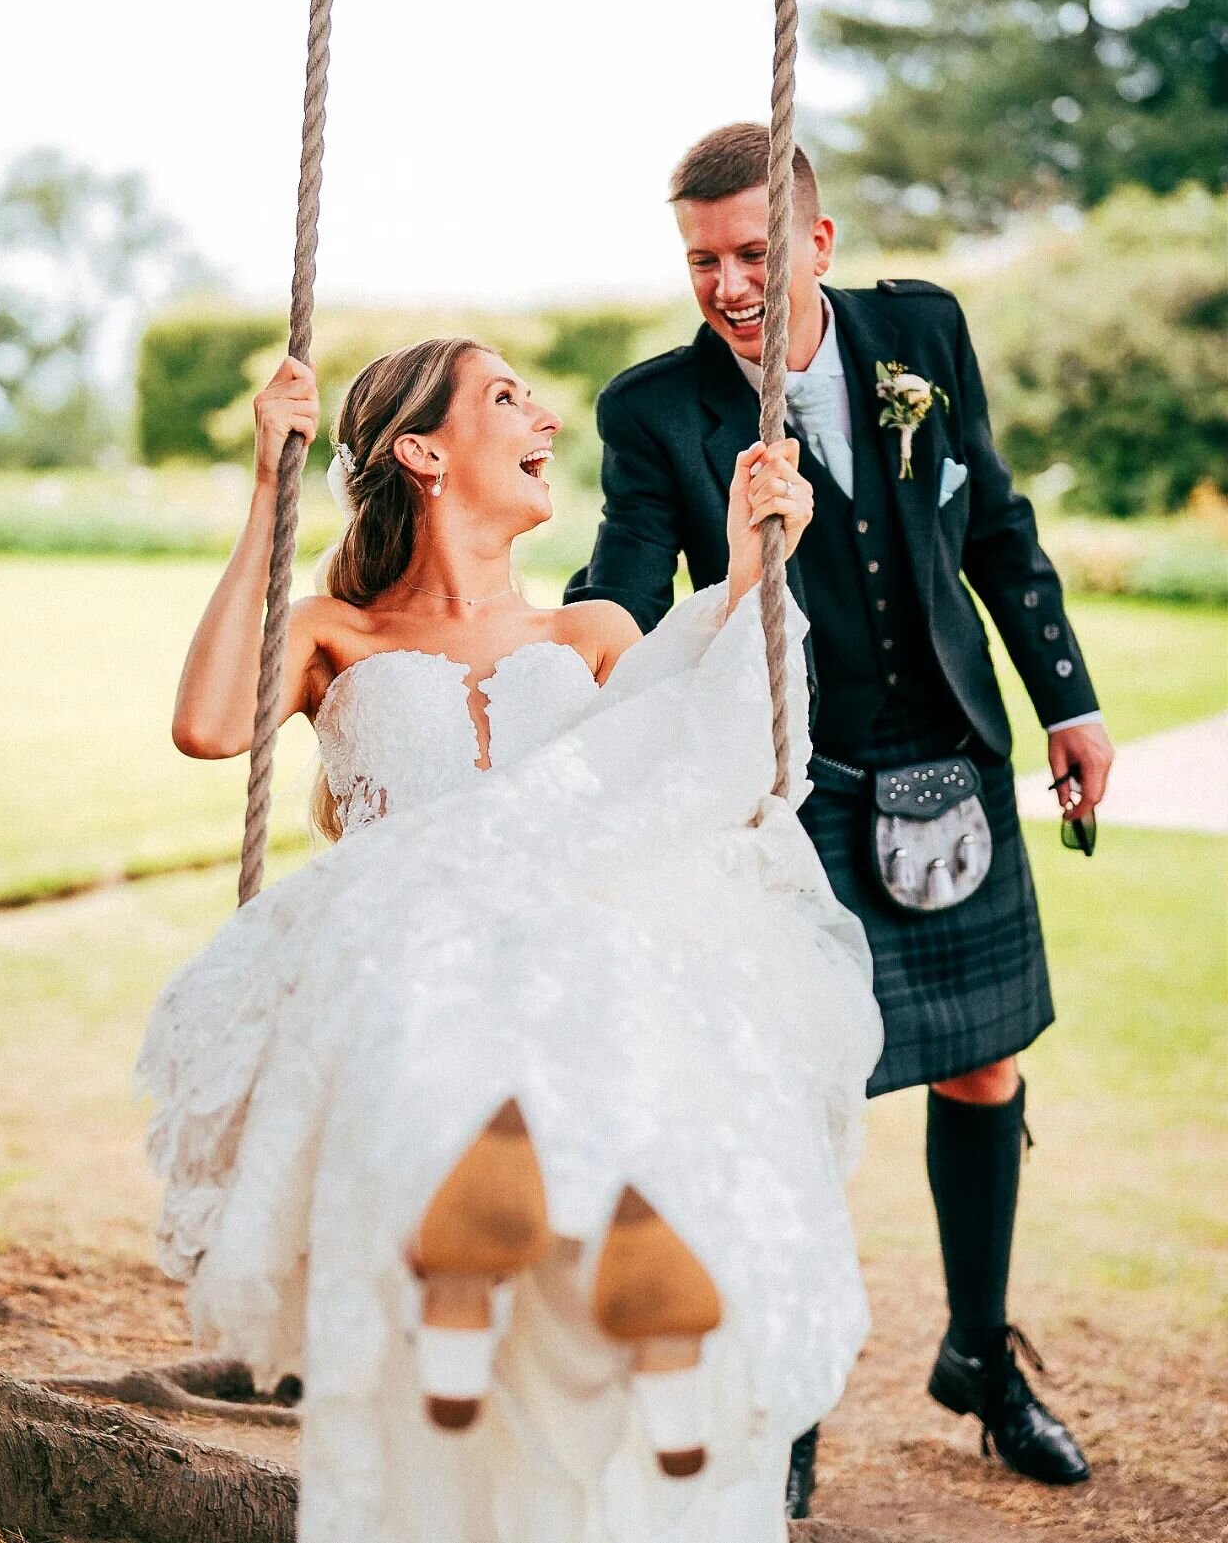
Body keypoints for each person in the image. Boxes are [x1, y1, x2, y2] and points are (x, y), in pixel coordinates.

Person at [138, 335, 884, 1542]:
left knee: (608, 969)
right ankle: (485, 1255)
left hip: (576, 973)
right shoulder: (337, 632)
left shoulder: (590, 633)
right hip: (405, 977)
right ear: (424, 451)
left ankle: (623, 1293)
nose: (544, 416)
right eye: (505, 397)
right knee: (449, 975)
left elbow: (704, 768)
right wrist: (269, 485)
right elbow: (212, 723)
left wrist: (756, 570)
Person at [565, 122, 1112, 1518]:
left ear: (817, 239)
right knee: (805, 1102)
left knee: (984, 1067)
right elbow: (624, 574)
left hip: (956, 751)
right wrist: (558, 661)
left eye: (753, 251)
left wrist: (1069, 698)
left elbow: (992, 516)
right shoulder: (655, 412)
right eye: (702, 260)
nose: (730, 283)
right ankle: (795, 1388)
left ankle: (978, 1356)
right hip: (793, 791)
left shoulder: (922, 330)